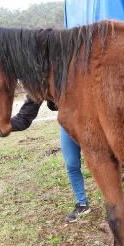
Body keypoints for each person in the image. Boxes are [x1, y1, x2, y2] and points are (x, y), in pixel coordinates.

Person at [10, 95, 91, 223]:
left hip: (91, 117)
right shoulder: (41, 80)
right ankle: (82, 204)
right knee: (71, 164)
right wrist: (3, 124)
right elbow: (24, 116)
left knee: (114, 153)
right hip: (66, 121)